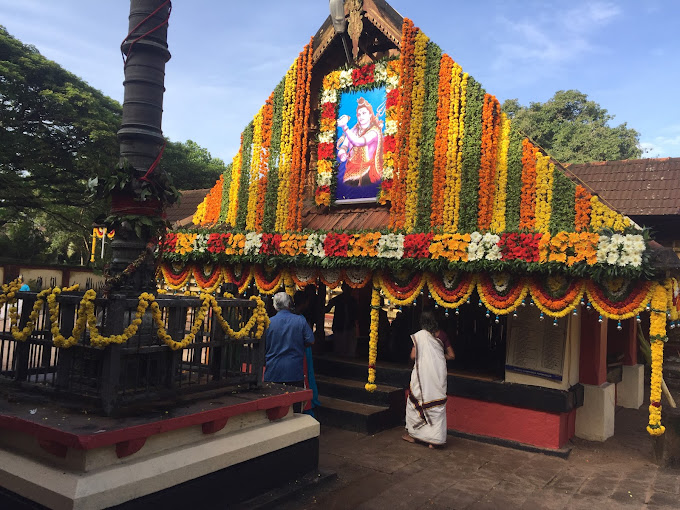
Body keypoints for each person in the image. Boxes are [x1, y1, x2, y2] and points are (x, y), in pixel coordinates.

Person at [403, 310, 455, 448]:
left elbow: (413, 356)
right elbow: (451, 355)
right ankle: (434, 441)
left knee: (415, 401)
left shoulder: (420, 336)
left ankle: (413, 436)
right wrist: (438, 357)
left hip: (422, 375)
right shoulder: (442, 335)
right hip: (438, 375)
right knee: (436, 405)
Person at [264, 292, 315, 412]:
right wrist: (298, 344)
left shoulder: (268, 323)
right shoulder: (300, 321)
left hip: (273, 370)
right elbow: (311, 341)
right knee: (295, 407)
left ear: (275, 306)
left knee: (273, 406)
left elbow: (262, 344)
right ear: (289, 305)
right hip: (294, 370)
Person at [336, 97, 384, 186]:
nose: (361, 116)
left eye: (364, 113)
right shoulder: (354, 130)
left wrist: (345, 127)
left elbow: (358, 142)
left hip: (367, 172)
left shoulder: (374, 131)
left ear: (370, 114)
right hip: (350, 170)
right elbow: (344, 146)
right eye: (359, 114)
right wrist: (342, 154)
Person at [325, 283, 359, 357]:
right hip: (339, 327)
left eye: (349, 288)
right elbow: (326, 309)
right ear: (343, 288)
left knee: (349, 350)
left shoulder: (353, 301)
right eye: (346, 288)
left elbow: (356, 316)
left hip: (349, 327)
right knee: (339, 350)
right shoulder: (337, 299)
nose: (348, 290)